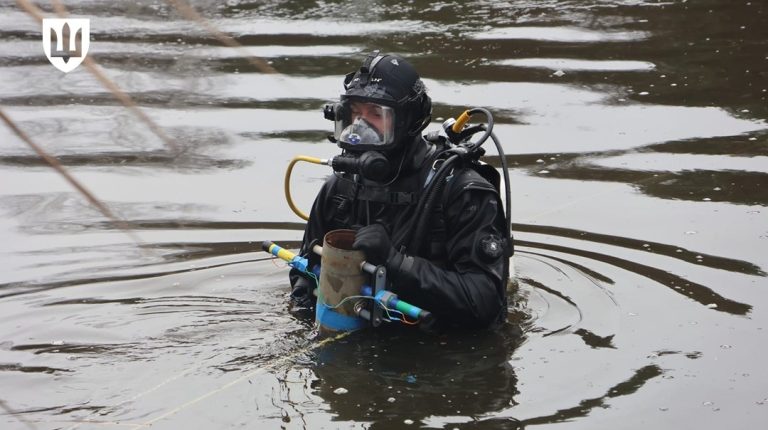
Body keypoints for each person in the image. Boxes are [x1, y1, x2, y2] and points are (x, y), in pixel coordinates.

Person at [289, 51, 511, 331]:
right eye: (355, 113)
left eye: (375, 115)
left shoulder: (461, 191)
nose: (361, 126)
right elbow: (305, 268)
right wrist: (303, 309)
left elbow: (486, 303)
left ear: (409, 121)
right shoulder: (340, 188)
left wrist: (397, 262)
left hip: (439, 351)